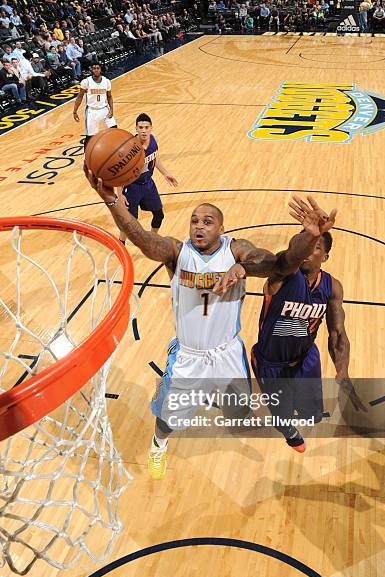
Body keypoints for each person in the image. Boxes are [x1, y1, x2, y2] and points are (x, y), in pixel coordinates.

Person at [84, 170, 333, 479]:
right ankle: (157, 446)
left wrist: (305, 238)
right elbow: (144, 240)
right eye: (194, 221)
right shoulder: (177, 253)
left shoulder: (235, 249)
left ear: (221, 228)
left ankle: (213, 394)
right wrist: (111, 201)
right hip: (189, 355)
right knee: (168, 419)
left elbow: (280, 263)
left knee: (240, 411)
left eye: (207, 221)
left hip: (226, 352)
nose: (199, 226)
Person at [218, 195, 366, 453]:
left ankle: (305, 415)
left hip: (306, 359)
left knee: (311, 413)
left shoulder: (332, 288)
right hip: (270, 362)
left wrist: (342, 372)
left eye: (317, 247)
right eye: (308, 246)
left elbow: (337, 334)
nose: (310, 252)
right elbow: (291, 256)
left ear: (326, 256)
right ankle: (289, 433)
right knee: (282, 416)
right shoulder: (282, 277)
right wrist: (308, 237)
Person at [118, 113, 178, 240]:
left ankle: (152, 241)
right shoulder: (130, 148)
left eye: (146, 127)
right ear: (136, 129)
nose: (144, 131)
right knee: (129, 224)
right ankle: (120, 247)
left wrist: (165, 173)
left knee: (159, 215)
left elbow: (154, 157)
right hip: (132, 188)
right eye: (140, 127)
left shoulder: (153, 141)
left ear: (151, 128)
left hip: (148, 185)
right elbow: (120, 172)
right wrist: (120, 194)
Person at [73, 62, 117, 149]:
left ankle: (114, 151)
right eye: (94, 68)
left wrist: (111, 110)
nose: (96, 70)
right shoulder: (86, 82)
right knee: (90, 137)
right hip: (92, 111)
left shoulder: (107, 81)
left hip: (104, 109)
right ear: (91, 70)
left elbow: (109, 97)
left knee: (114, 129)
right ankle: (86, 157)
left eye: (98, 68)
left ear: (100, 70)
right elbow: (80, 97)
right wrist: (75, 111)